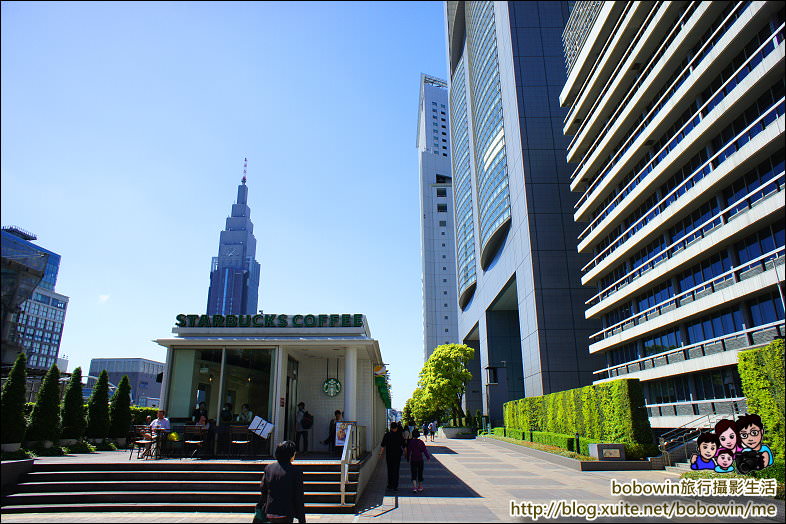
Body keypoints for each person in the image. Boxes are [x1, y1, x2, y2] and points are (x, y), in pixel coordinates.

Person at [258, 440, 306, 523]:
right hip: (286, 512)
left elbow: (263, 489)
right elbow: (298, 497)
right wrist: (302, 519)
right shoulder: (296, 472)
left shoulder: (269, 468)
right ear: (291, 454)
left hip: (270, 510)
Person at [379, 422, 405, 491]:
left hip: (389, 455)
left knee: (390, 469)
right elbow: (404, 446)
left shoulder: (387, 435)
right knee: (396, 470)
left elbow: (382, 445)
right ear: (396, 428)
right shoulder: (399, 435)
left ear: (391, 428)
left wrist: (380, 454)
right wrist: (406, 454)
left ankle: (390, 484)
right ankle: (395, 486)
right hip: (397, 455)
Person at [406, 429, 431, 493]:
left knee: (413, 473)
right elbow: (425, 450)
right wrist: (428, 457)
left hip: (413, 459)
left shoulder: (411, 442)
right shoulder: (421, 442)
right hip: (420, 459)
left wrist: (408, 458)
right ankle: (420, 486)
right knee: (420, 473)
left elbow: (409, 451)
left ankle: (414, 487)